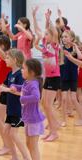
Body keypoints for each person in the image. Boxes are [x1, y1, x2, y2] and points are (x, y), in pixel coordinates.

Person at [0, 49, 28, 160]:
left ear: (14, 60)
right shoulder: (10, 73)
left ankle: (26, 158)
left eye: (8, 58)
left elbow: (22, 92)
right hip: (10, 110)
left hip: (17, 110)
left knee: (13, 134)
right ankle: (14, 156)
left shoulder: (19, 75)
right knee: (6, 131)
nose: (5, 59)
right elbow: (0, 87)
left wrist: (8, 90)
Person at [33, 6, 62, 142]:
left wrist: (50, 20)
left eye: (46, 35)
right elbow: (38, 30)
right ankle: (51, 130)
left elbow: (55, 34)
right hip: (47, 78)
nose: (44, 36)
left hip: (54, 77)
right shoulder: (45, 45)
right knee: (44, 104)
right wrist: (34, 16)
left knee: (49, 105)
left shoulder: (55, 45)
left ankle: (54, 132)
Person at [10, 58, 46, 160]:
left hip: (34, 119)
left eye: (24, 68)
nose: (21, 70)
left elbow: (36, 97)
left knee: (33, 146)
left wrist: (22, 98)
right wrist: (14, 86)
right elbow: (22, 88)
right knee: (29, 144)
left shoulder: (34, 83)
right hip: (28, 118)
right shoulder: (27, 82)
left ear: (31, 72)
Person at [59, 30, 82, 126]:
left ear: (71, 38)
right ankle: (64, 120)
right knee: (64, 99)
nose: (64, 38)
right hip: (63, 77)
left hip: (73, 77)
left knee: (73, 99)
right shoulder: (61, 49)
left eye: (66, 37)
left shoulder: (74, 49)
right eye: (63, 37)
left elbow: (80, 57)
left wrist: (75, 46)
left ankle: (81, 118)